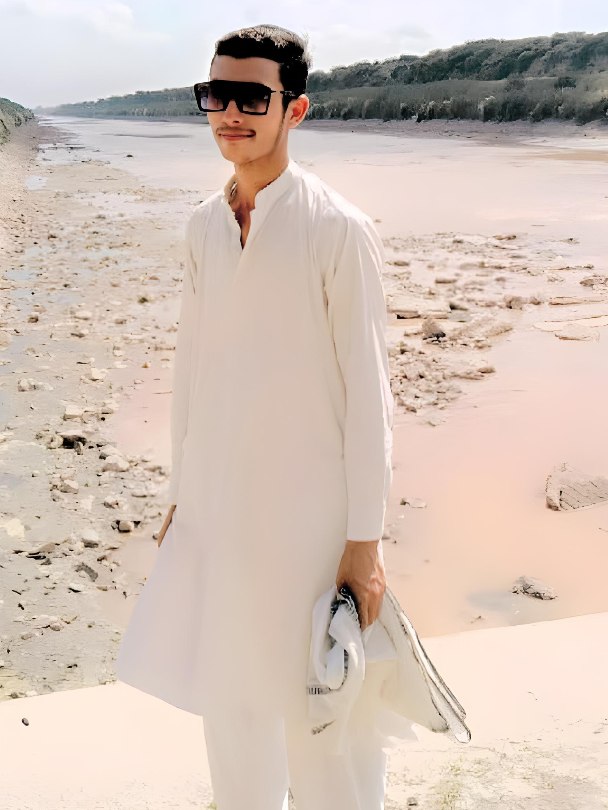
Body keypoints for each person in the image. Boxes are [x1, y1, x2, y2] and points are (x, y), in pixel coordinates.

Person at [115, 22, 395, 810]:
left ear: (294, 109)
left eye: (250, 96)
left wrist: (365, 542)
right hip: (219, 510)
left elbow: (370, 394)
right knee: (231, 709)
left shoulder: (339, 230)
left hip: (312, 522)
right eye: (216, 94)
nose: (230, 113)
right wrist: (181, 497)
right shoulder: (203, 226)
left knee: (326, 723)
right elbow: (192, 372)